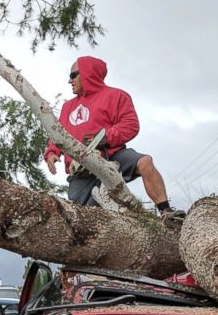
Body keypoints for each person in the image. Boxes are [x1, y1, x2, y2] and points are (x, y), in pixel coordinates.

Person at [44, 56, 174, 214]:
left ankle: (167, 213)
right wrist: (52, 152)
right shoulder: (67, 107)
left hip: (112, 156)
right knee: (83, 216)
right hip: (81, 170)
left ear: (87, 73)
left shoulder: (117, 96)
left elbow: (130, 125)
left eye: (73, 75)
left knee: (145, 162)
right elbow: (57, 134)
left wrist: (104, 137)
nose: (69, 81)